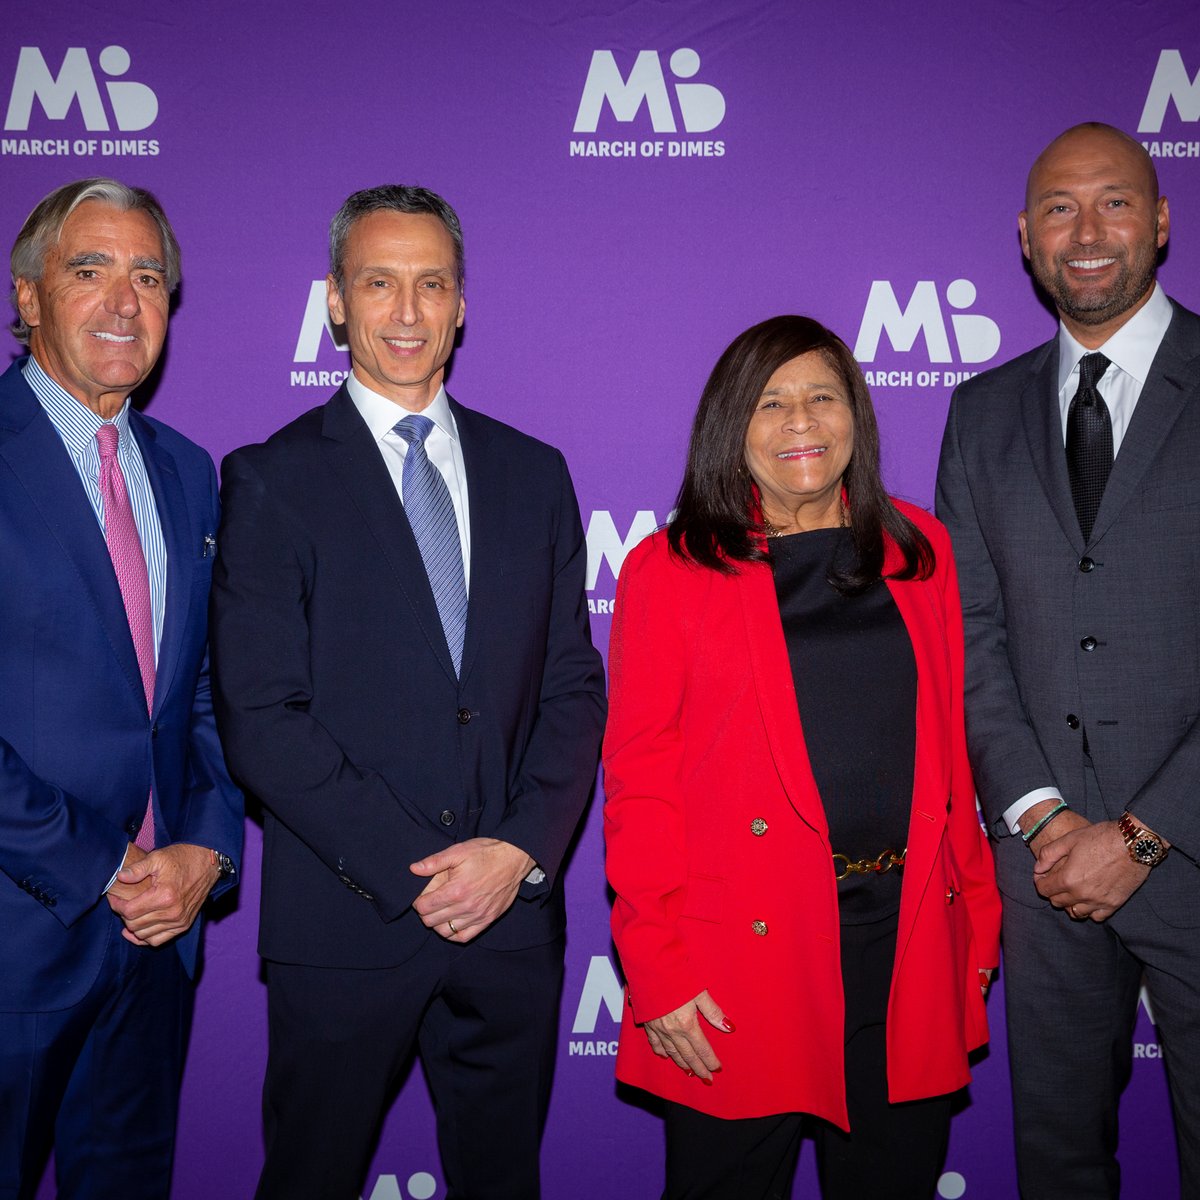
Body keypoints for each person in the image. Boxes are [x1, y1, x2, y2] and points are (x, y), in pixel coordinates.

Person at [210, 184, 606, 1200]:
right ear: (335, 302)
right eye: (378, 283)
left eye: (431, 284)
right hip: (347, 925)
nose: (405, 311)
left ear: (463, 303)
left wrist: (516, 852)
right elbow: (260, 719)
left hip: (508, 930)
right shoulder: (270, 479)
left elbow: (570, 688)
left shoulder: (535, 474)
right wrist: (426, 869)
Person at [604, 315, 1000, 1199]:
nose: (802, 422)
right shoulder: (668, 570)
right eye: (771, 403)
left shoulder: (921, 548)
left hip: (905, 950)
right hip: (740, 965)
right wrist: (658, 971)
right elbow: (639, 784)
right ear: (729, 428)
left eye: (823, 396)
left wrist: (975, 928)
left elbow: (951, 757)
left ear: (856, 413)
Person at [936, 121, 1200, 1198]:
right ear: (1025, 237)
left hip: (1193, 853)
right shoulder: (980, 412)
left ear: (1164, 222)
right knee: (1056, 1164)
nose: (1087, 232)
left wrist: (1142, 834)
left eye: (1116, 203)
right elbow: (974, 635)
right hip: (1042, 876)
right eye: (1059, 208)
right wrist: (1045, 819)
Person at [0, 178, 243, 1198]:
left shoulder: (187, 471)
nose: (124, 301)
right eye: (89, 270)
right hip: (16, 937)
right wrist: (99, 863)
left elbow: (196, 696)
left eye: (148, 276)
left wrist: (206, 846)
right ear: (27, 297)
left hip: (155, 950)